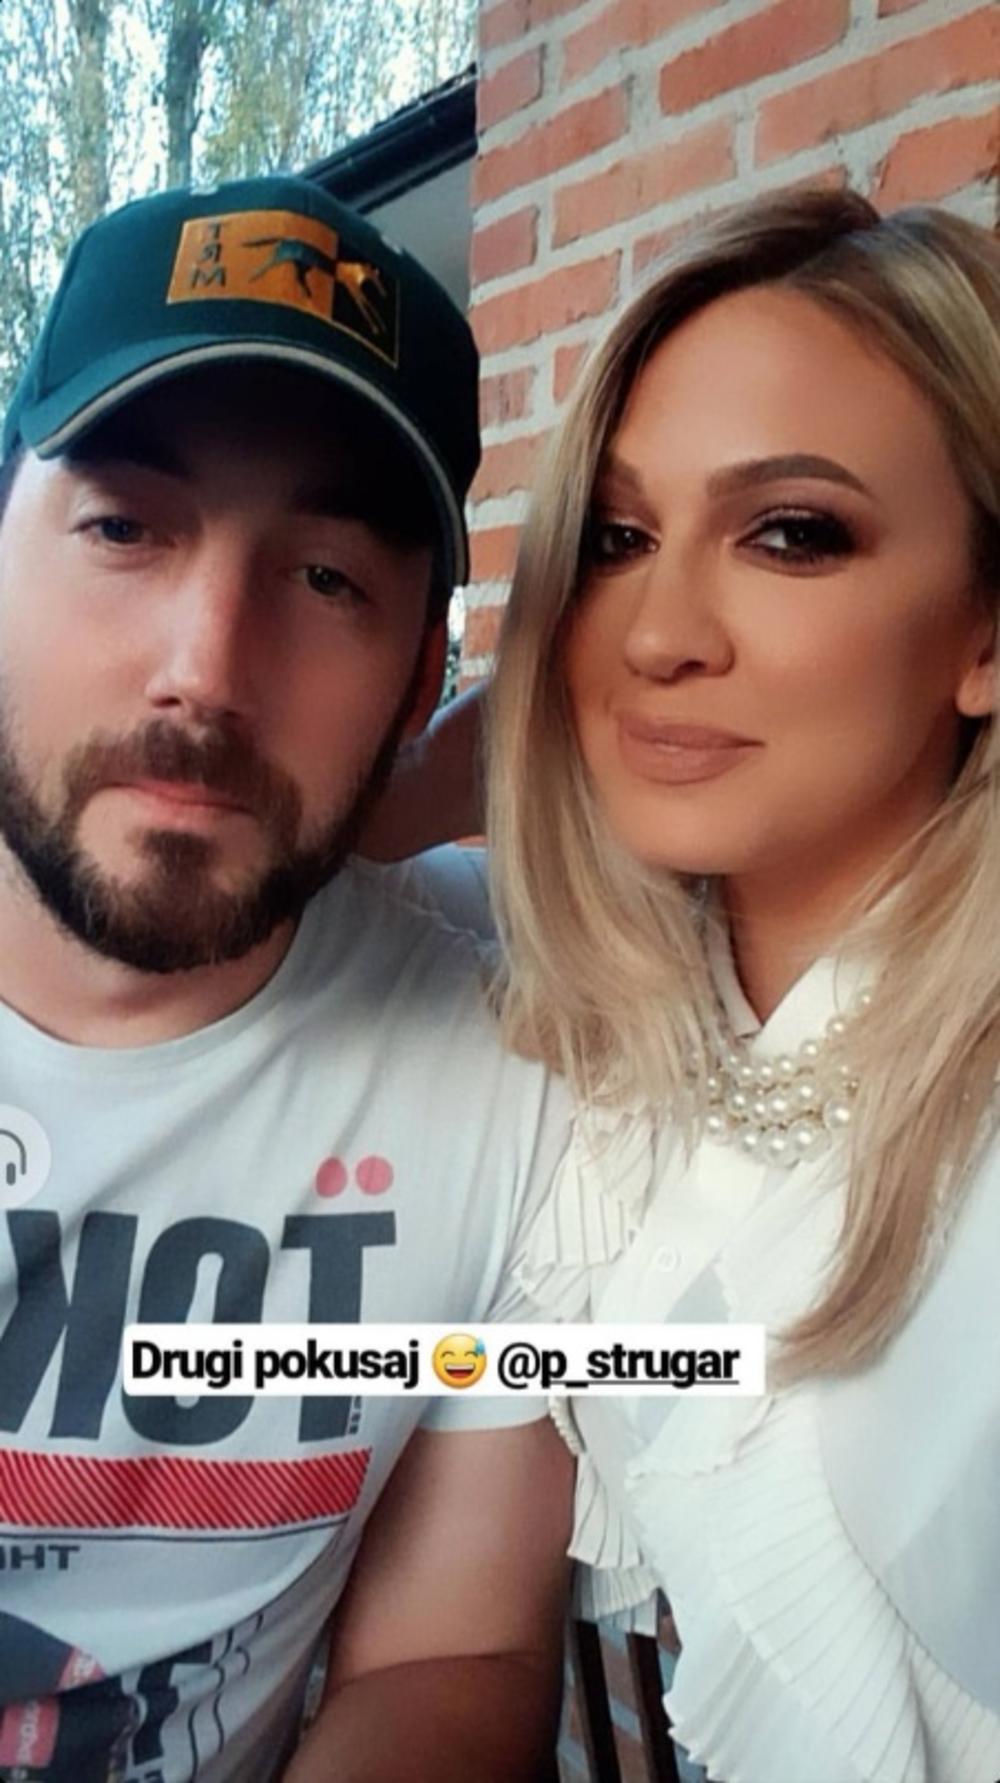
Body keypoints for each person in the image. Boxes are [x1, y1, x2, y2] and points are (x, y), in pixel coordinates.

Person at [389, 188, 1000, 1781]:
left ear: (985, 629)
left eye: (792, 532)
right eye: (615, 540)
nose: (656, 635)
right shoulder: (593, 1011)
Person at [0, 174, 573, 1783]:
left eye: (328, 578)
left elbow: (453, 1656)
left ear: (418, 676)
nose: (205, 668)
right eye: (123, 526)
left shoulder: (508, 1050)